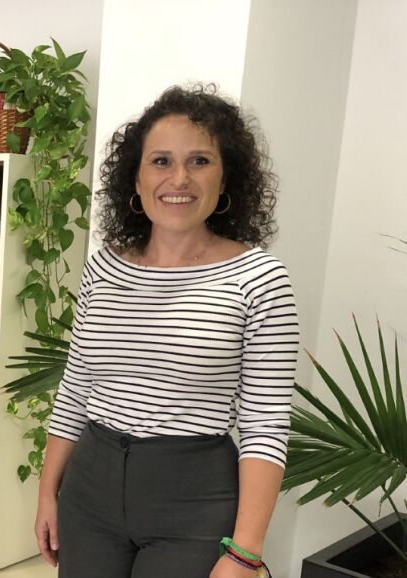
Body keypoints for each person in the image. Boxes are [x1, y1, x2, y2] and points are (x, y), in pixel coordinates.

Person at [34, 85, 299, 577]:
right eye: (161, 161)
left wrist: (245, 552)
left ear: (226, 177)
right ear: (136, 179)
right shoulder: (104, 268)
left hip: (194, 500)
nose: (179, 178)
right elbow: (75, 388)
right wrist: (48, 492)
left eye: (200, 161)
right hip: (89, 489)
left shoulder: (259, 279)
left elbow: (264, 425)